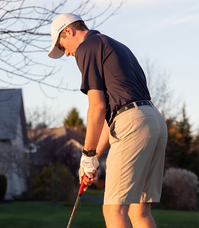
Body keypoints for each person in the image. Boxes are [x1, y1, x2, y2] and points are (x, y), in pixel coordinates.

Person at [48, 13, 168, 228]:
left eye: (61, 45)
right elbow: (111, 117)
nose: (66, 52)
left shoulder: (86, 48)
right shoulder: (116, 45)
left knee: (113, 209)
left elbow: (97, 107)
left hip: (132, 124)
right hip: (153, 121)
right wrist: (92, 160)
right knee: (139, 211)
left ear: (69, 31)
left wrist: (87, 155)